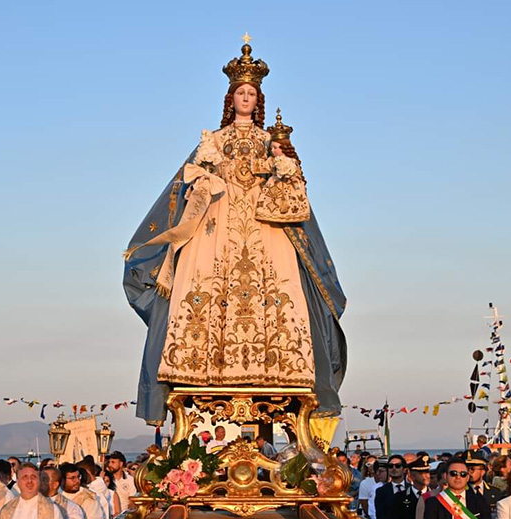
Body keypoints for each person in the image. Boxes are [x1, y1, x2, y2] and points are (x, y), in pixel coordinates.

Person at [123, 41, 346, 426]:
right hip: (218, 228)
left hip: (265, 232)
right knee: (207, 286)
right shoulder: (213, 141)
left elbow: (294, 192)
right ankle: (206, 362)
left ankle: (274, 364)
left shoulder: (269, 142)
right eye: (241, 93)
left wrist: (283, 166)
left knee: (278, 287)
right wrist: (205, 177)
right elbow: (185, 186)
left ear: (259, 100)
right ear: (231, 98)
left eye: (252, 94)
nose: (246, 98)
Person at [465, 449, 504, 517]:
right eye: (466, 469)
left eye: (472, 469)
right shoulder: (461, 492)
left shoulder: (495, 492)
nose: (469, 472)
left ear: (482, 471)